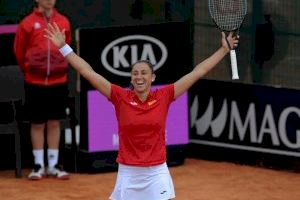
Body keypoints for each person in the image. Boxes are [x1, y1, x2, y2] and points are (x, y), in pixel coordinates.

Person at [44, 22, 238, 199]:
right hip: (128, 173)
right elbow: (87, 72)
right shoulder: (120, 97)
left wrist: (223, 50)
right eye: (135, 73)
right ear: (131, 78)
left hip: (156, 172)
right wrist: (63, 47)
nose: (139, 77)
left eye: (144, 73)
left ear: (152, 77)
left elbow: (198, 72)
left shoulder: (165, 95)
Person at [14, 0, 71, 180]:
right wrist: (31, 69)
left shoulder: (63, 21)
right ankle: (38, 166)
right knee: (37, 123)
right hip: (35, 82)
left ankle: (53, 165)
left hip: (58, 81)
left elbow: (67, 46)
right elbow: (19, 50)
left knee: (54, 122)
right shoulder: (27, 23)